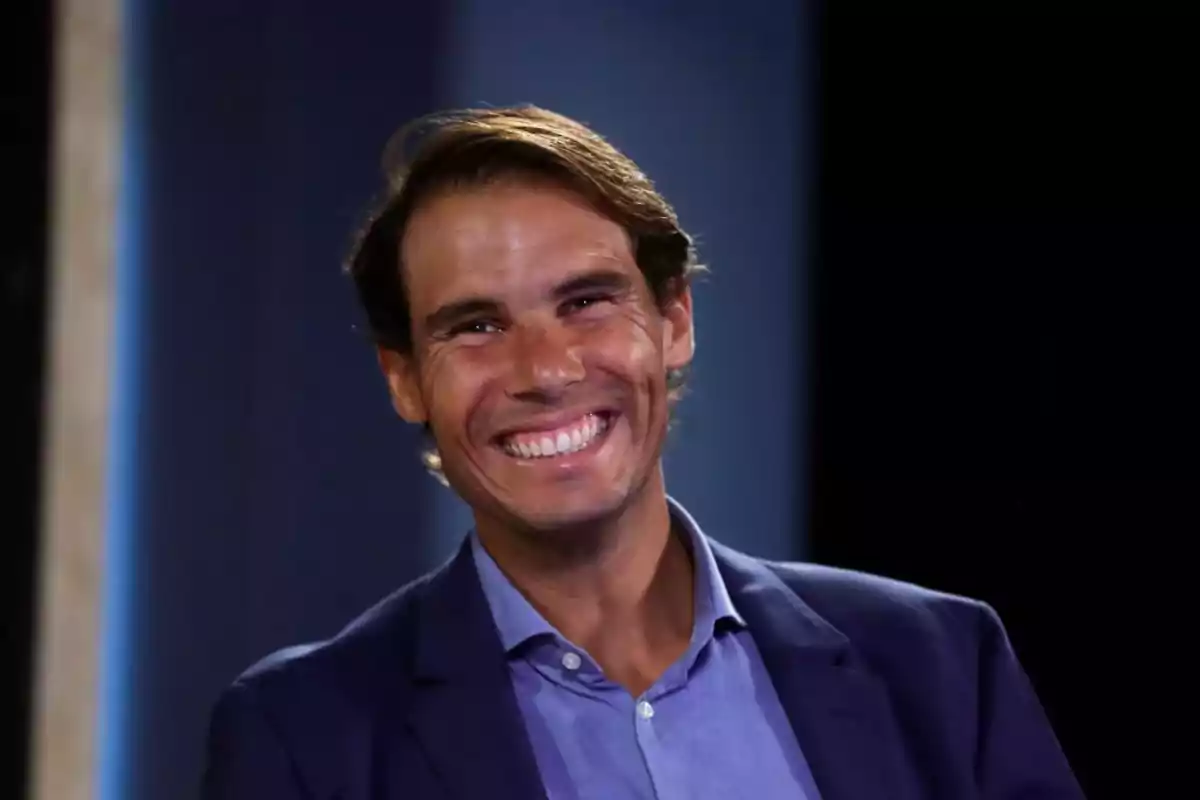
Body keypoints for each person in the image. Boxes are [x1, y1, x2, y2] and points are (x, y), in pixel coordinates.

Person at [201, 106, 1084, 799]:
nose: (545, 370)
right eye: (475, 326)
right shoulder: (306, 736)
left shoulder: (935, 661)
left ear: (674, 322)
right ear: (405, 381)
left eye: (587, 301)